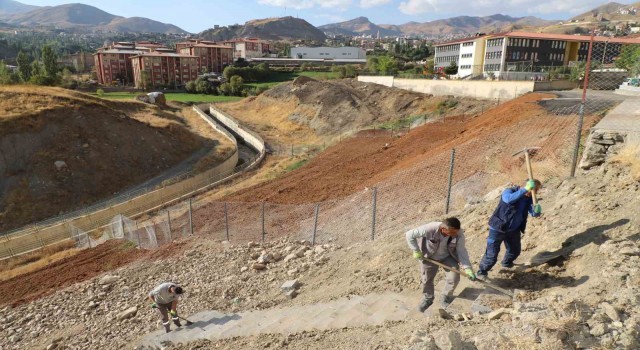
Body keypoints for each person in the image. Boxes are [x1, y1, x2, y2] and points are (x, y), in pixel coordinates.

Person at [406, 217, 476, 312]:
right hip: (429, 256)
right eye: (452, 232)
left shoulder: (458, 233)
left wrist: (468, 269)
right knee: (427, 280)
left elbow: (461, 250)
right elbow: (409, 234)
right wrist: (416, 250)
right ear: (443, 229)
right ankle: (428, 298)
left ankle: (446, 296)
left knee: (454, 278)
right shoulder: (430, 228)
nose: (455, 234)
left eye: (456, 232)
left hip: (447, 256)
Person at [477, 179, 542, 280]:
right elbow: (509, 200)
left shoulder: (529, 198)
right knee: (492, 255)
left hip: (514, 230)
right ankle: (482, 272)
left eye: (536, 190)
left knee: (515, 250)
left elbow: (532, 213)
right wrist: (525, 190)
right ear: (526, 186)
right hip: (498, 228)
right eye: (534, 190)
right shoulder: (509, 191)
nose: (535, 193)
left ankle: (506, 263)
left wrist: (536, 211)